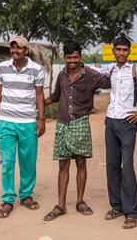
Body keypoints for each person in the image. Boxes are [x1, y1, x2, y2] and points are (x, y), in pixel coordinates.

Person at [43, 41, 111, 221]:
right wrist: (38, 102)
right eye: (68, 57)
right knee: (63, 164)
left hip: (81, 122)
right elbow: (56, 96)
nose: (72, 60)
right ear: (64, 58)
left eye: (75, 57)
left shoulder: (91, 75)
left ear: (80, 57)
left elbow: (114, 82)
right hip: (63, 124)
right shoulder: (61, 75)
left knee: (81, 163)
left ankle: (80, 201)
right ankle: (61, 205)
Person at [0, 36, 45, 218]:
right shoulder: (2, 67)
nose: (15, 51)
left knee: (28, 162)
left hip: (27, 123)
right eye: (12, 48)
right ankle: (8, 199)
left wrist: (41, 119)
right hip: (6, 122)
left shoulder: (36, 69)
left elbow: (39, 95)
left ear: (26, 50)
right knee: (8, 163)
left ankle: (26, 195)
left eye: (19, 48)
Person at [100, 35, 137, 229]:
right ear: (113, 51)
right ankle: (117, 206)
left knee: (127, 165)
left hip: (128, 122)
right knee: (112, 165)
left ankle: (132, 212)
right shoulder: (109, 69)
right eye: (117, 50)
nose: (121, 53)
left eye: (124, 50)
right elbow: (89, 74)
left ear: (129, 51)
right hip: (111, 120)